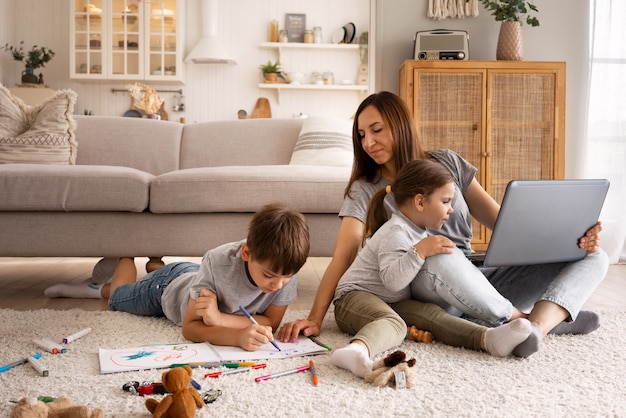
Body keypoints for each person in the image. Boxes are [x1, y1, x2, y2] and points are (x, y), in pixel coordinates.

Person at [278, 91, 608, 359]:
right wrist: (315, 317)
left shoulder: (446, 162)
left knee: (595, 257)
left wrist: (569, 239)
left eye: (376, 130)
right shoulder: (366, 188)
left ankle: (537, 325)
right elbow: (344, 256)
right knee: (437, 249)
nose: (367, 142)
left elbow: (501, 221)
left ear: (400, 125)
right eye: (361, 135)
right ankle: (528, 318)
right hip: (431, 280)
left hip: (479, 274)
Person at [329, 159, 532, 377]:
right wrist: (419, 252)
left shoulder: (417, 230)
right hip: (353, 298)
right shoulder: (395, 231)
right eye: (445, 201)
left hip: (391, 300)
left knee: (432, 315)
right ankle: (356, 349)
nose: (451, 209)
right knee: (394, 324)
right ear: (420, 202)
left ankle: (487, 339)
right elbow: (392, 281)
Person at [46, 203, 310, 351]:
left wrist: (219, 319)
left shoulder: (286, 267)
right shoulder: (217, 261)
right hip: (167, 290)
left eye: (286, 278)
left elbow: (270, 322)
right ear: (246, 253)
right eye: (269, 275)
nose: (278, 285)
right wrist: (237, 337)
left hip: (194, 278)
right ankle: (121, 262)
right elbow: (190, 328)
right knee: (117, 299)